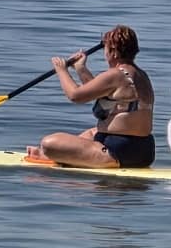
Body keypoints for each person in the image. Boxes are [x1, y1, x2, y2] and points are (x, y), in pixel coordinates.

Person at [26, 25, 155, 168]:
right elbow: (98, 92)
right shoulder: (140, 75)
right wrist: (80, 68)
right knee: (91, 133)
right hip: (145, 150)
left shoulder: (116, 74)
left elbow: (75, 96)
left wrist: (61, 70)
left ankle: (50, 153)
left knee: (48, 143)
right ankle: (60, 155)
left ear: (113, 51)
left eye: (104, 47)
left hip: (118, 151)